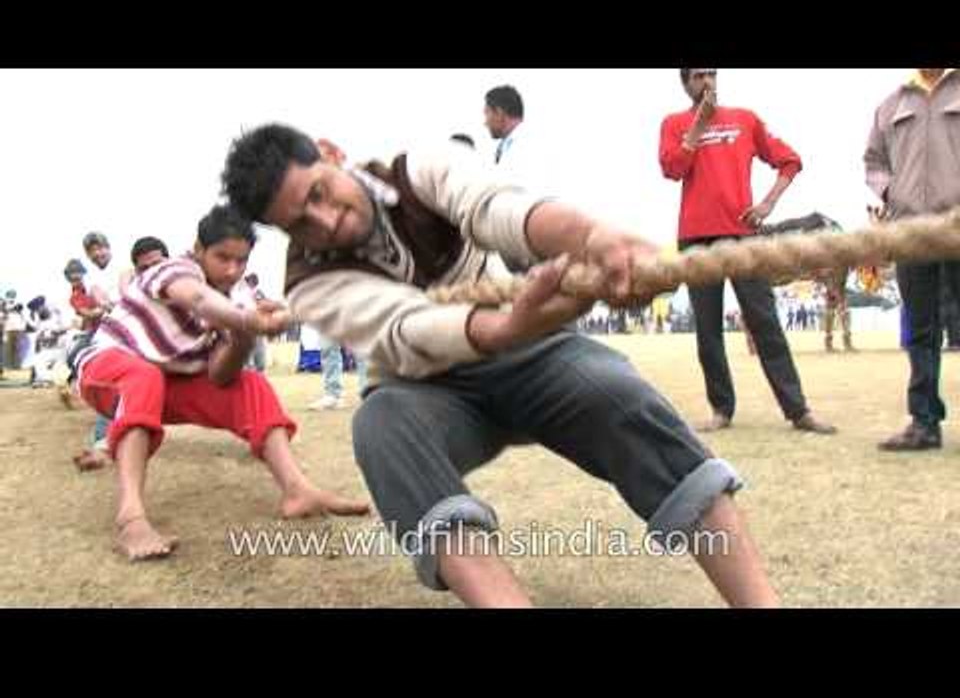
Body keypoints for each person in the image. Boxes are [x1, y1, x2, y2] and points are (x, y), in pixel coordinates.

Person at [221, 122, 779, 608]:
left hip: (533, 355)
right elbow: (406, 330)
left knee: (619, 394)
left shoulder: (420, 167)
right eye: (301, 223)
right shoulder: (310, 284)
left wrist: (591, 238)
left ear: (331, 152)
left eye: (320, 192)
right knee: (380, 427)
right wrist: (506, 326)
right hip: (430, 390)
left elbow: (499, 209)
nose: (327, 223)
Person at [72, 205, 369, 560]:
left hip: (167, 386)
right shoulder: (173, 269)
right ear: (199, 249)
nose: (232, 269)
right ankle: (131, 517)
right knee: (143, 375)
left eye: (241, 261)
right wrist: (248, 321)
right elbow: (197, 298)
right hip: (106, 368)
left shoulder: (239, 295)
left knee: (251, 385)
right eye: (222, 257)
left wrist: (243, 337)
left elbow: (219, 375)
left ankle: (297, 490)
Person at [659, 68, 836, 435]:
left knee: (765, 321)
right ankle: (721, 409)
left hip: (743, 234)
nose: (706, 81)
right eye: (697, 76)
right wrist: (699, 126)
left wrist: (768, 203)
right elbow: (672, 169)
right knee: (708, 330)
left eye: (711, 73)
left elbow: (790, 160)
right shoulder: (673, 123)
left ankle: (798, 410)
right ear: (685, 82)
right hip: (696, 239)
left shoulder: (745, 119)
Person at [864, 68, 960, 451]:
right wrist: (892, 194)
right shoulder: (890, 105)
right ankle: (924, 422)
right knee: (920, 330)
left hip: (958, 227)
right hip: (911, 232)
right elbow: (873, 161)